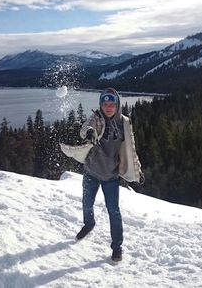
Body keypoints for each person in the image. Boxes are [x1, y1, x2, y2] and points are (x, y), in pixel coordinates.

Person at [61, 87, 143, 262]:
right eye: (105, 104)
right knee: (87, 203)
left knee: (114, 211)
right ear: (101, 105)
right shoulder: (96, 119)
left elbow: (130, 148)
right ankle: (89, 224)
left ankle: (117, 247)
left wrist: (137, 169)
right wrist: (89, 132)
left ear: (117, 105)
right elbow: (86, 127)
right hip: (92, 171)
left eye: (111, 104)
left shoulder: (124, 123)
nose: (108, 107)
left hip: (111, 176)